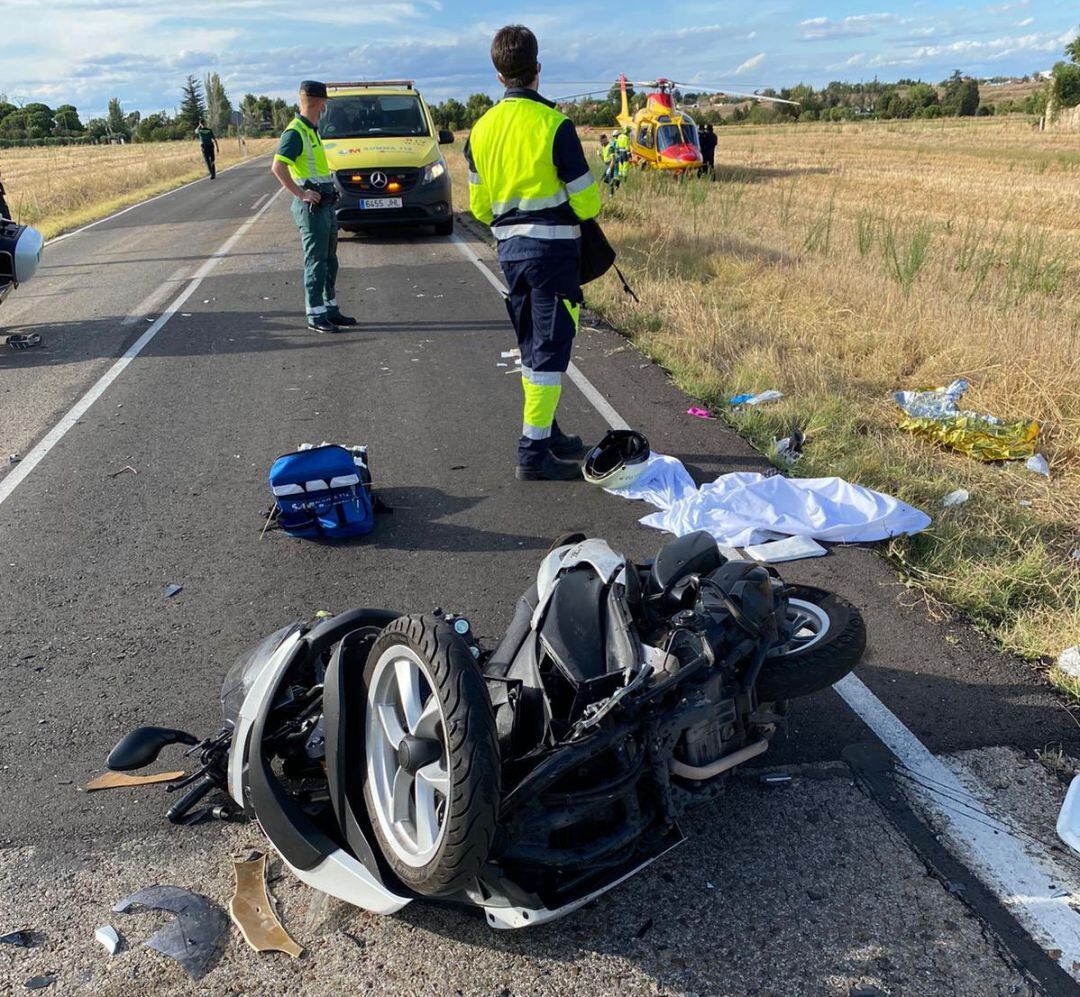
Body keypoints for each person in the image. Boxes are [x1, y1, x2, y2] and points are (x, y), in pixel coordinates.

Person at [465, 25, 601, 481]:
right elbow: (588, 203)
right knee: (548, 350)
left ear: (499, 75)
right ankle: (533, 452)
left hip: (510, 253)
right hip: (554, 254)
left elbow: (479, 207)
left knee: (533, 345)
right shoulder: (554, 125)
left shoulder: (480, 131)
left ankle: (549, 430)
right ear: (537, 70)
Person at [270, 80, 357, 333]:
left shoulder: (311, 129)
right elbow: (278, 167)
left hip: (326, 206)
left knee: (330, 261)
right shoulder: (295, 132)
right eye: (325, 103)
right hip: (313, 209)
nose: (325, 107)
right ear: (320, 103)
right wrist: (301, 193)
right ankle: (315, 314)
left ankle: (330, 309)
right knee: (316, 261)